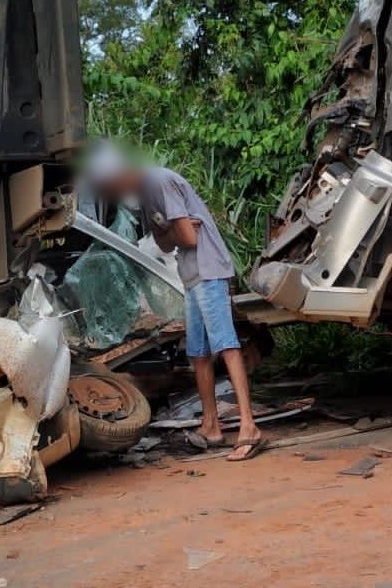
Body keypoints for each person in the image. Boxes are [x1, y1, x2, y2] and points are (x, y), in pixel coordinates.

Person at [86, 145, 265, 461]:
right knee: (197, 352)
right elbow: (166, 241)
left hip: (209, 270)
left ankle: (249, 427)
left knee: (226, 345)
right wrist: (174, 229)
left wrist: (175, 231)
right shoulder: (143, 195)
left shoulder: (159, 182)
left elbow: (190, 239)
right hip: (191, 273)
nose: (115, 191)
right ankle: (211, 424)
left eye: (113, 185)